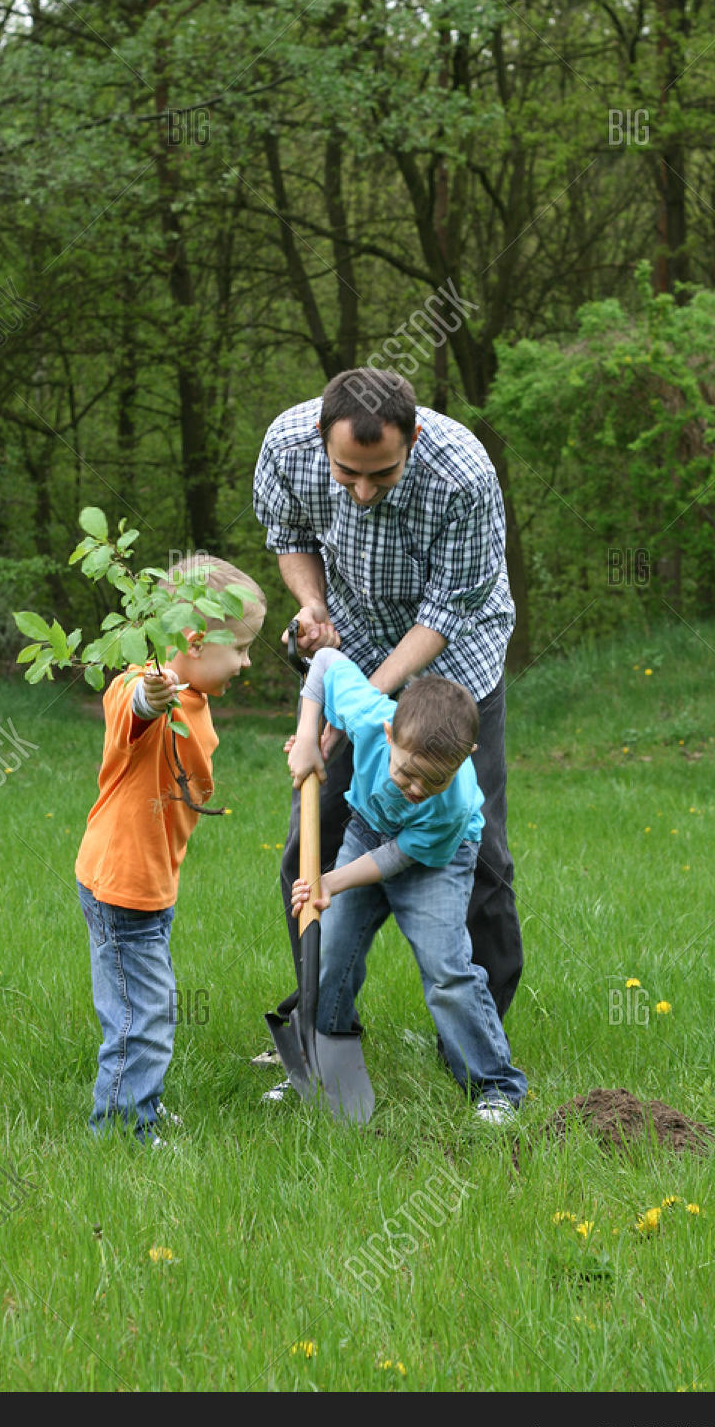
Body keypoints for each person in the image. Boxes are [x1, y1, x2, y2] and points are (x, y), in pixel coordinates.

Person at [253, 366, 522, 1022]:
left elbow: (441, 615)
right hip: (352, 640)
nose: (363, 492)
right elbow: (290, 540)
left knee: (474, 853)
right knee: (308, 848)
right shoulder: (286, 447)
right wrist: (312, 605)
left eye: (383, 473)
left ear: (413, 437)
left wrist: (358, 711)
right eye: (347, 474)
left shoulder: (463, 475)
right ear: (321, 437)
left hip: (452, 663)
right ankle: (320, 1018)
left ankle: (476, 1031)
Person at [285, 648, 526, 1122]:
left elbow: (399, 857)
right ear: (389, 733)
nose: (417, 789)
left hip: (435, 858)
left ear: (464, 758)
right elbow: (326, 662)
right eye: (408, 772)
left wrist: (329, 880)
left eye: (434, 779)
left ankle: (495, 1085)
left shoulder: (452, 803)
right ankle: (315, 1067)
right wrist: (309, 736)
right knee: (331, 951)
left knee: (446, 969)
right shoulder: (370, 713)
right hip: (368, 829)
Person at [75, 556, 266, 1145]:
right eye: (239, 648)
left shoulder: (195, 698)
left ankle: (142, 1104)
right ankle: (121, 1129)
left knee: (149, 1008)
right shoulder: (143, 686)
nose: (247, 661)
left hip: (149, 887)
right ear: (194, 637)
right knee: (141, 1018)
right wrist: (151, 697)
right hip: (123, 887)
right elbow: (131, 705)